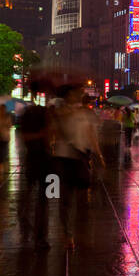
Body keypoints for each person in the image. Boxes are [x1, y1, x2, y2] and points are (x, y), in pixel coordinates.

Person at [51, 85, 103, 251]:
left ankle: (72, 230)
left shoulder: (83, 113)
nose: (78, 96)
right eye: (75, 94)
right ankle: (68, 234)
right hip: (62, 158)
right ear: (68, 96)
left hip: (79, 158)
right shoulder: (60, 113)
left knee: (76, 196)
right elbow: (54, 133)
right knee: (65, 197)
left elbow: (90, 134)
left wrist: (98, 154)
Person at [17, 100, 53, 249]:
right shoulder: (45, 121)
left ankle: (23, 213)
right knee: (47, 198)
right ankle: (41, 237)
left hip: (32, 160)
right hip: (48, 162)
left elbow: (24, 138)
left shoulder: (25, 121)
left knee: (31, 191)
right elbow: (48, 141)